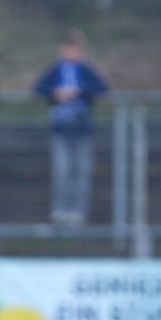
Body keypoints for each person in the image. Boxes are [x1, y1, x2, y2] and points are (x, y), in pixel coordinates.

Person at [34, 29, 108, 225]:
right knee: (62, 171)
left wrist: (80, 93)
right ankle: (60, 210)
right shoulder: (56, 70)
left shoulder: (86, 70)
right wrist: (55, 94)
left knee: (81, 172)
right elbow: (38, 88)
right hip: (61, 129)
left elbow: (101, 88)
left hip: (82, 129)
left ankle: (78, 211)